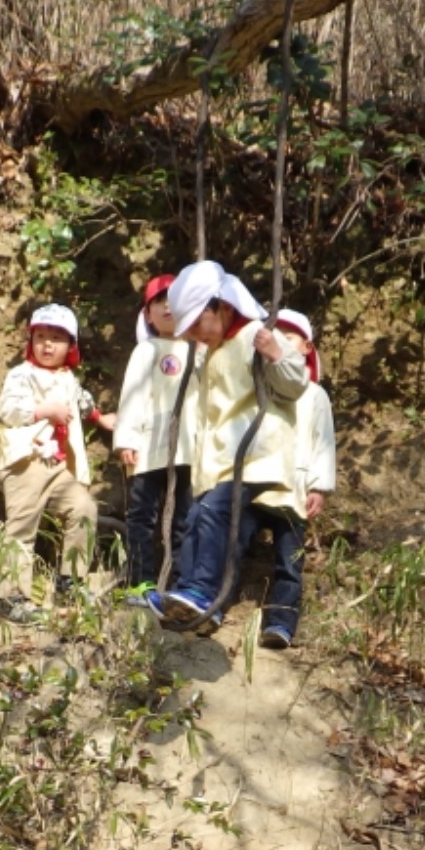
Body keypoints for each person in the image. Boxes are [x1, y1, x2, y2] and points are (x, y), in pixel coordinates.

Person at [153, 261, 309, 636]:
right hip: (221, 460)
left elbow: (296, 385)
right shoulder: (211, 351)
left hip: (256, 455)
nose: (191, 335)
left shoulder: (257, 334)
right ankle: (187, 594)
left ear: (219, 307)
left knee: (213, 512)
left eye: (194, 325)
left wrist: (276, 353)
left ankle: (203, 591)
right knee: (195, 518)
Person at [0, 303, 106, 625]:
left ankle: (71, 581)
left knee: (83, 508)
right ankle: (11, 597)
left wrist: (101, 418)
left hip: (60, 466)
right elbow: (9, 410)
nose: (46, 344)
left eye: (55, 338)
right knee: (22, 526)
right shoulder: (22, 374)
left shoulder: (68, 378)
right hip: (26, 460)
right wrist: (44, 410)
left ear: (70, 346)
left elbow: (82, 403)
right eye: (40, 336)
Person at [242, 308, 336, 649]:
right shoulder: (256, 387)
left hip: (293, 489)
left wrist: (319, 487)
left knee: (288, 560)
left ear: (308, 347)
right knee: (233, 543)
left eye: (289, 336)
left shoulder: (315, 395)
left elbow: (322, 443)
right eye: (275, 334)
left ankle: (281, 623)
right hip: (256, 481)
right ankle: (218, 604)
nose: (281, 340)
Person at [111, 274, 193, 600]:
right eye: (160, 302)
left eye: (175, 301)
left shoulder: (198, 351)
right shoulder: (147, 350)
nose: (168, 307)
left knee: (184, 519)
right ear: (148, 314)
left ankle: (178, 586)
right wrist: (127, 438)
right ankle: (140, 580)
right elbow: (133, 395)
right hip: (148, 446)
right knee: (142, 515)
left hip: (187, 449)